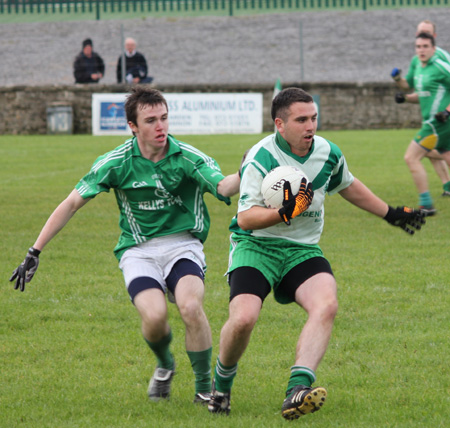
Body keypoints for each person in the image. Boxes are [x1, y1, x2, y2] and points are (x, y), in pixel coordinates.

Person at [9, 87, 240, 405]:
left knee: (190, 307)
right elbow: (73, 202)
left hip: (182, 245)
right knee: (155, 318)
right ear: (133, 126)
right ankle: (165, 365)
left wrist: (244, 173)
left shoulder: (187, 157)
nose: (161, 126)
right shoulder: (116, 162)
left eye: (164, 118)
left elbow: (223, 185)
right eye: (150, 120)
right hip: (138, 251)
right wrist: (35, 250)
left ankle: (204, 387)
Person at [207, 87, 425, 420]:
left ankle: (297, 389)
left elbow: (347, 184)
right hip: (257, 246)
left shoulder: (327, 152)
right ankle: (221, 385)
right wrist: (287, 211)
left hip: (303, 250)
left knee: (327, 304)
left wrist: (390, 212)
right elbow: (246, 218)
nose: (310, 126)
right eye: (301, 120)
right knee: (243, 319)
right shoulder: (261, 156)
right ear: (280, 124)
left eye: (314, 118)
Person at [391, 21, 450, 212]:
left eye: (425, 46)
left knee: (411, 157)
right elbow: (421, 92)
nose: (421, 49)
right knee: (443, 154)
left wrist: (447, 111)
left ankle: (426, 204)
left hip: (438, 122)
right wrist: (404, 93)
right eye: (418, 46)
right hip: (433, 122)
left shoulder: (441, 63)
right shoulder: (419, 63)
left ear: (434, 45)